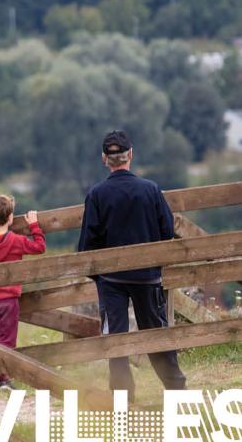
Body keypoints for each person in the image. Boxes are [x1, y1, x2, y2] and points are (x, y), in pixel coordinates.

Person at [78, 130, 186, 400]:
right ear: (131, 156)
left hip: (112, 280)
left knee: (116, 339)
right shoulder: (150, 190)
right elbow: (167, 231)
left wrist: (100, 276)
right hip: (148, 276)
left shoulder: (97, 195)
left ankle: (123, 397)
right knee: (156, 333)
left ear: (105, 159)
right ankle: (176, 389)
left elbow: (87, 245)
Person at [0, 196, 45, 392]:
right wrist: (34, 226)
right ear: (10, 218)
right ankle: (4, 379)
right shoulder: (16, 241)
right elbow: (40, 247)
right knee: (7, 339)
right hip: (8, 298)